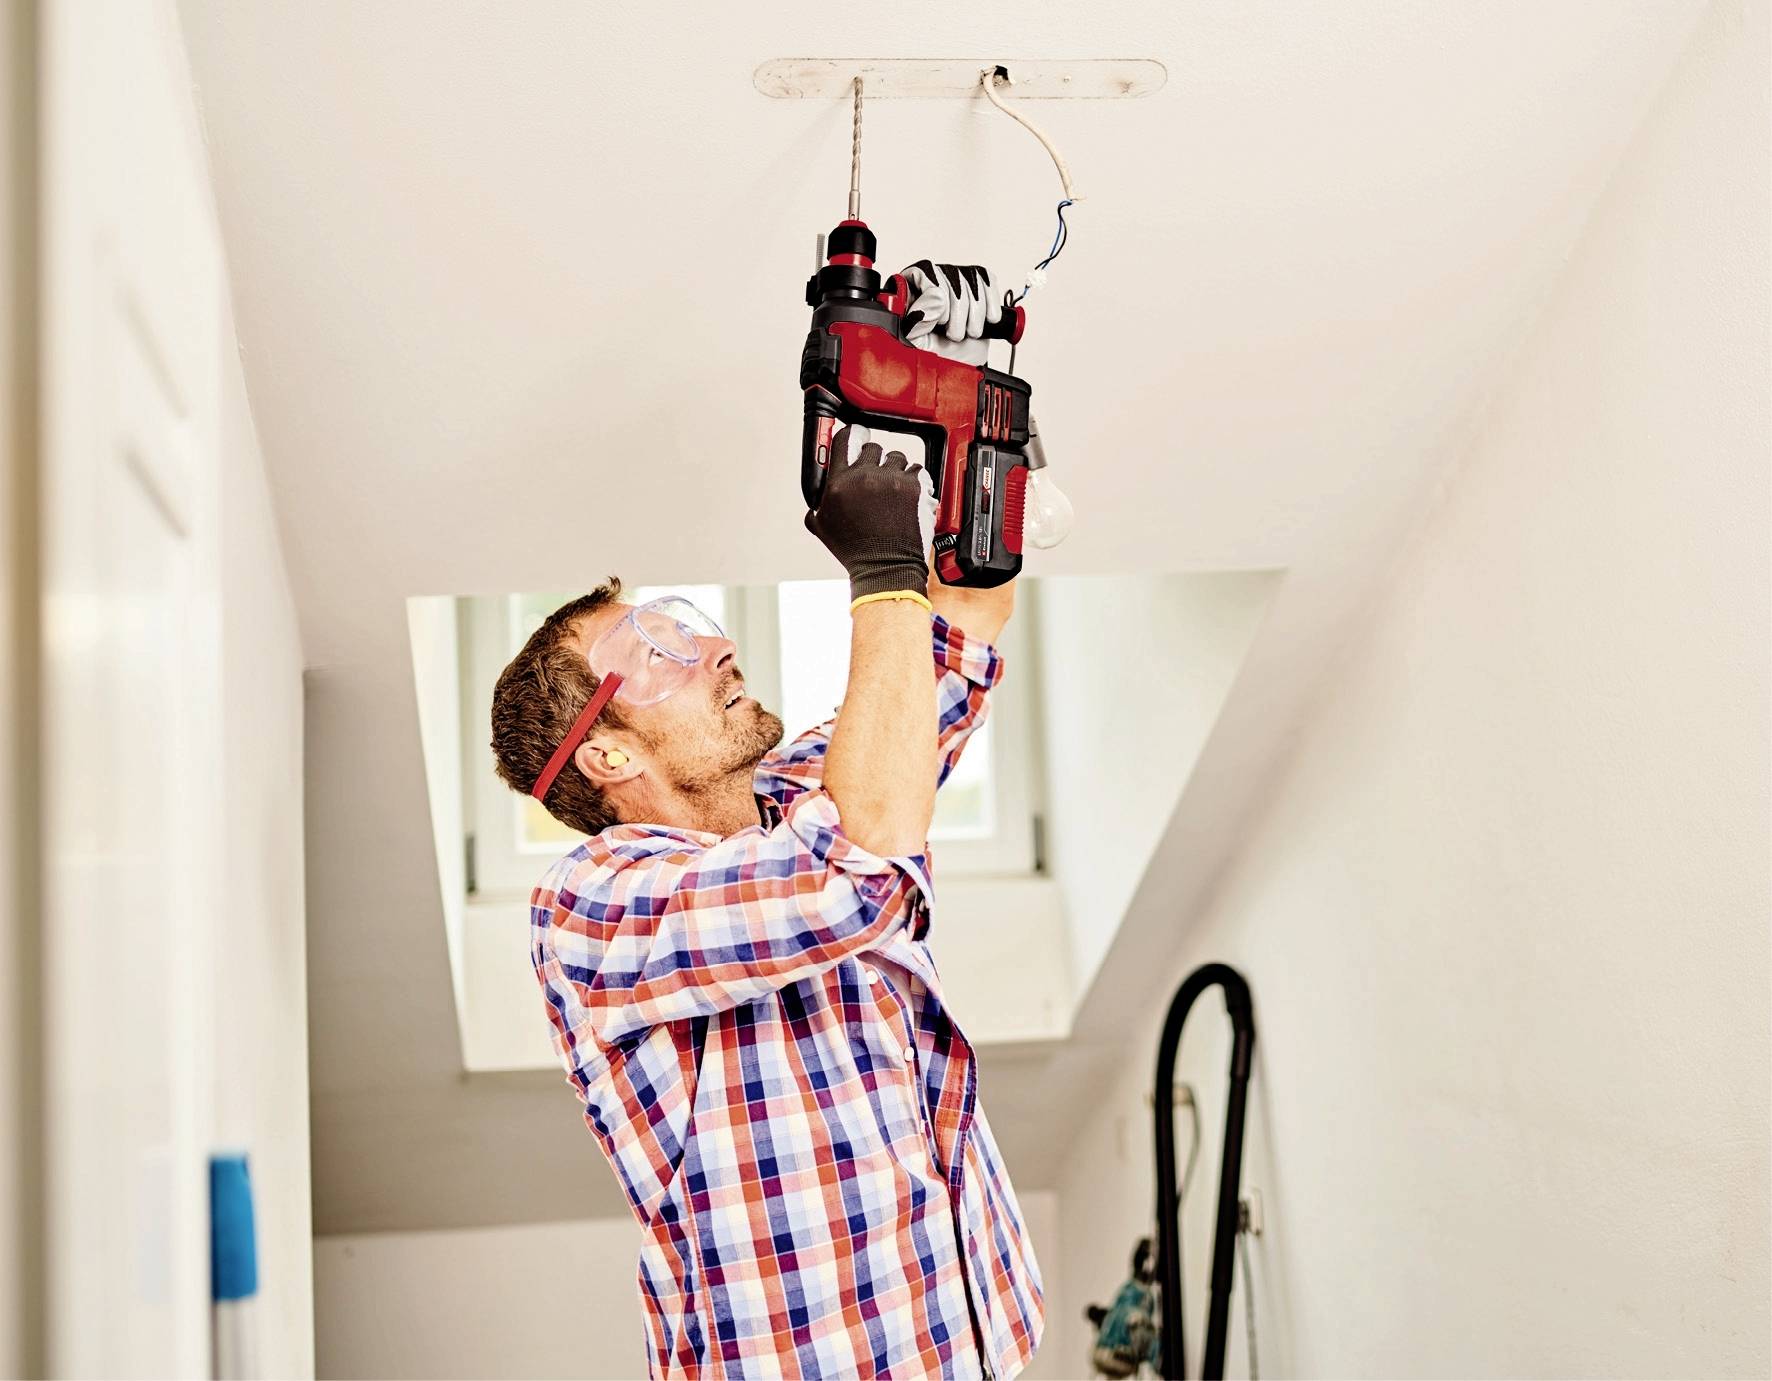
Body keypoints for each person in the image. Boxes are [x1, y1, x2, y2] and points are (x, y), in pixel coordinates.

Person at [488, 264, 1044, 1379]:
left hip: (975, 1337)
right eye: (657, 652)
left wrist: (966, 405)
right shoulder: (591, 906)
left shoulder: (806, 788)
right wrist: (882, 571)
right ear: (604, 752)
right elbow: (855, 868)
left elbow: (966, 621)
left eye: (685, 623)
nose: (714, 648)